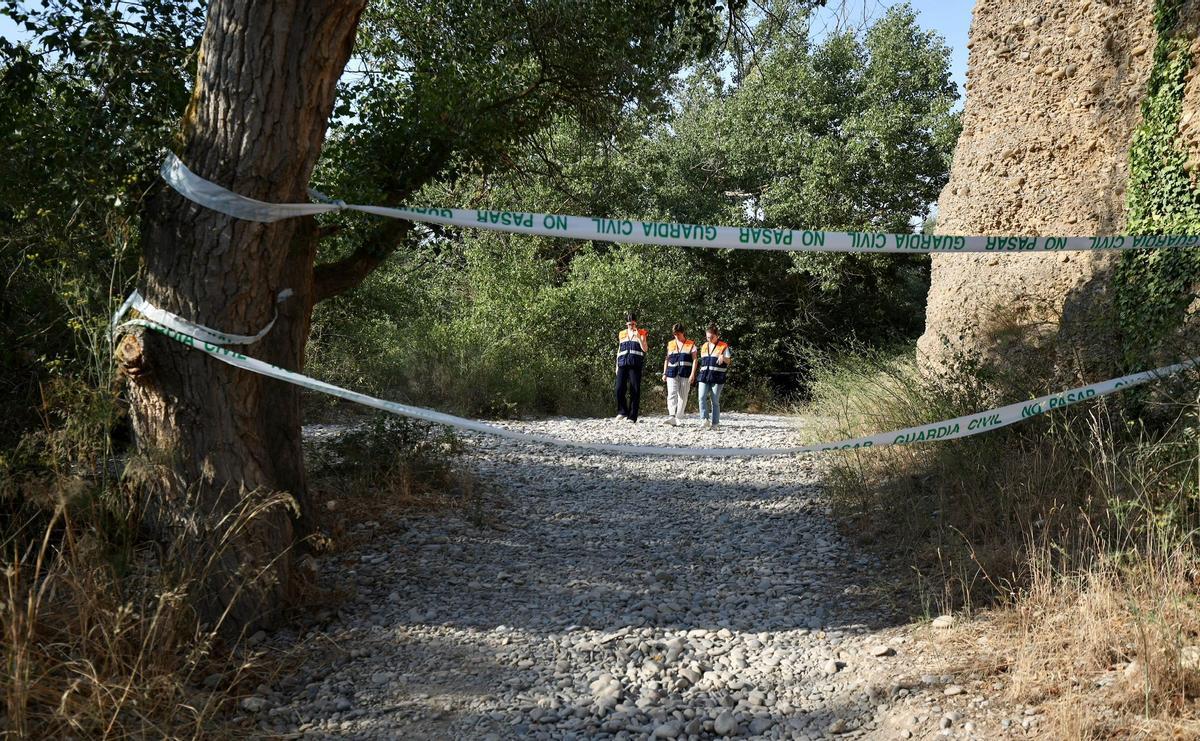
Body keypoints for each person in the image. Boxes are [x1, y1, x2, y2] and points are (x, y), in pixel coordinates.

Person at [660, 323, 697, 426]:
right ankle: (671, 416)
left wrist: (692, 374)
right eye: (674, 334)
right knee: (671, 393)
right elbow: (667, 359)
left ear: (683, 333)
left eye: (678, 334)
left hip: (685, 373)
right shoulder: (670, 344)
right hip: (672, 373)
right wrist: (664, 373)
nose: (676, 336)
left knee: (683, 395)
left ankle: (679, 416)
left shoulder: (691, 344)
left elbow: (695, 360)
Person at [614, 311, 648, 423]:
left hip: (635, 364)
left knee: (635, 390)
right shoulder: (621, 333)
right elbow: (619, 350)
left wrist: (638, 337)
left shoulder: (642, 332)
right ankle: (622, 412)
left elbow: (645, 349)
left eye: (633, 324)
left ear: (636, 323)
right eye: (629, 324)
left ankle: (632, 416)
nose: (631, 326)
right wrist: (616, 366)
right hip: (623, 363)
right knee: (619, 388)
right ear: (626, 324)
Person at [697, 324, 731, 430]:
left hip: (717, 377)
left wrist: (723, 357)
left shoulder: (723, 346)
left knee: (714, 400)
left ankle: (715, 423)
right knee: (701, 397)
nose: (709, 339)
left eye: (711, 337)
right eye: (708, 337)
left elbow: (729, 361)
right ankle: (704, 420)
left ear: (717, 336)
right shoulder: (704, 346)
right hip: (704, 376)